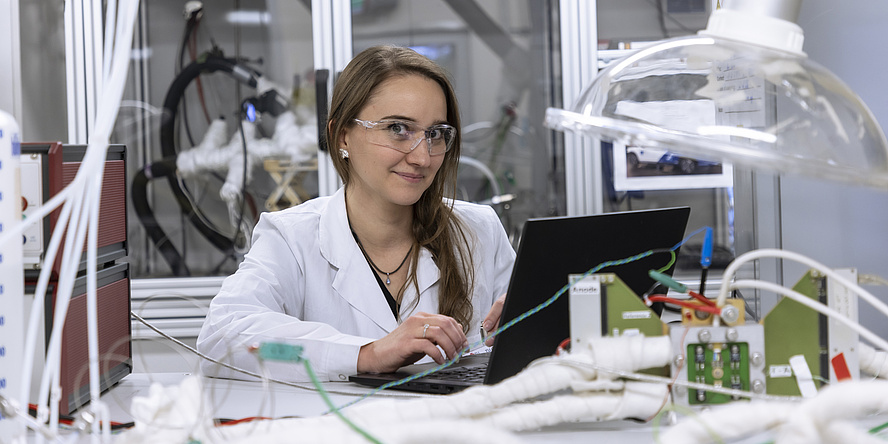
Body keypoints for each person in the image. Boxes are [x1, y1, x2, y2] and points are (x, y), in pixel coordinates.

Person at [197, 45, 516, 383]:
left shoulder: (479, 231)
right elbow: (225, 341)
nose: (422, 157)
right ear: (342, 135)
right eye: (398, 129)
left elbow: (528, 342)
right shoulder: (293, 239)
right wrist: (367, 354)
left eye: (435, 134)